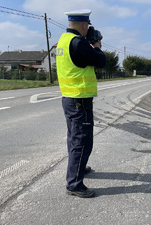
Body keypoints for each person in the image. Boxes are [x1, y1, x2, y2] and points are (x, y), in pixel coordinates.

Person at [56, 9, 106, 198]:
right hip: (80, 100)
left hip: (69, 98)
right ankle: (74, 184)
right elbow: (101, 61)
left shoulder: (63, 40)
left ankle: (79, 168)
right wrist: (97, 46)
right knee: (82, 141)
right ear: (84, 25)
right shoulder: (79, 43)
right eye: (87, 27)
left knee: (74, 138)